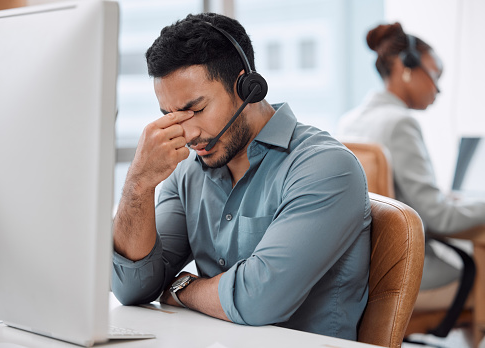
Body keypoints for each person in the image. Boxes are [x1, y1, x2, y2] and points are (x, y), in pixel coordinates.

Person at [112, 12, 371, 340]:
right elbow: (132, 287)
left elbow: (258, 300)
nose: (187, 134)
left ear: (247, 87)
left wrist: (182, 288)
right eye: (171, 116)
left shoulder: (325, 167)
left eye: (196, 109)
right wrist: (139, 183)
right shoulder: (189, 175)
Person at [337, 22, 485, 312]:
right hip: (403, 271)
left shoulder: (351, 121)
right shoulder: (400, 123)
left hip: (365, 269)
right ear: (407, 68)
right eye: (435, 75)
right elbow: (440, 219)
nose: (438, 89)